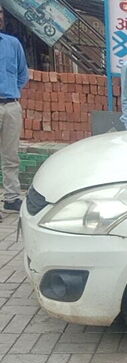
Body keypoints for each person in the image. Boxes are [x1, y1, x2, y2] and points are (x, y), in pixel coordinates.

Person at [0, 5, 28, 214]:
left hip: (11, 105)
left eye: (0, 13)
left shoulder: (13, 44)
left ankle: (11, 198)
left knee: (11, 156)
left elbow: (22, 74)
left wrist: (11, 91)